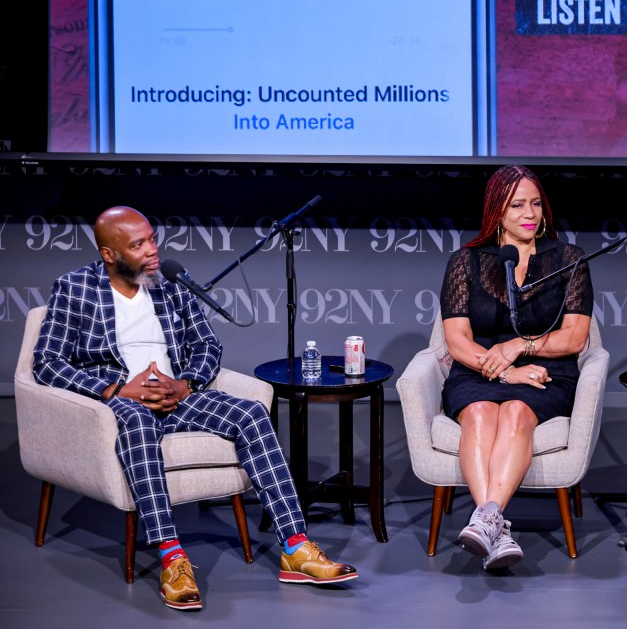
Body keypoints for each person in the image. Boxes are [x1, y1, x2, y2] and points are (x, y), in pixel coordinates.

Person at [32, 206, 358, 611]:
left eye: (152, 239)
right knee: (137, 423)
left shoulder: (170, 285)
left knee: (251, 413)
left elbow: (207, 345)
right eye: (138, 245)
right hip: (123, 404)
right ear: (109, 254)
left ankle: (295, 547)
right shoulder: (75, 288)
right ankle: (172, 559)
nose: (152, 250)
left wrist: (185, 384)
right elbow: (46, 362)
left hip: (178, 398)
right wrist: (115, 389)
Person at [439, 165, 594, 569]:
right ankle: (496, 527)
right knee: (478, 413)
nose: (530, 213)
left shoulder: (568, 259)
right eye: (518, 205)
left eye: (536, 204)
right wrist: (507, 371)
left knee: (515, 412)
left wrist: (518, 347)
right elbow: (458, 341)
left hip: (548, 370)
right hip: (479, 368)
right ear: (497, 211)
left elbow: (575, 337)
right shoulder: (466, 261)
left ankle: (485, 521)